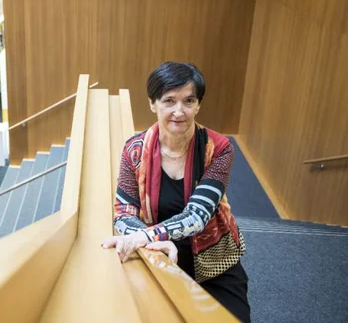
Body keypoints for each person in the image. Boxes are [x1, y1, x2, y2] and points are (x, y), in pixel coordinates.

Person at [101, 61, 250, 322]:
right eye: (169, 101)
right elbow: (123, 212)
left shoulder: (219, 148)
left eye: (188, 101)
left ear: (198, 105)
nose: (179, 111)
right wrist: (151, 242)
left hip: (213, 256)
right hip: (160, 252)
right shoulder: (133, 150)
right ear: (153, 104)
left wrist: (143, 237)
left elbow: (197, 216)